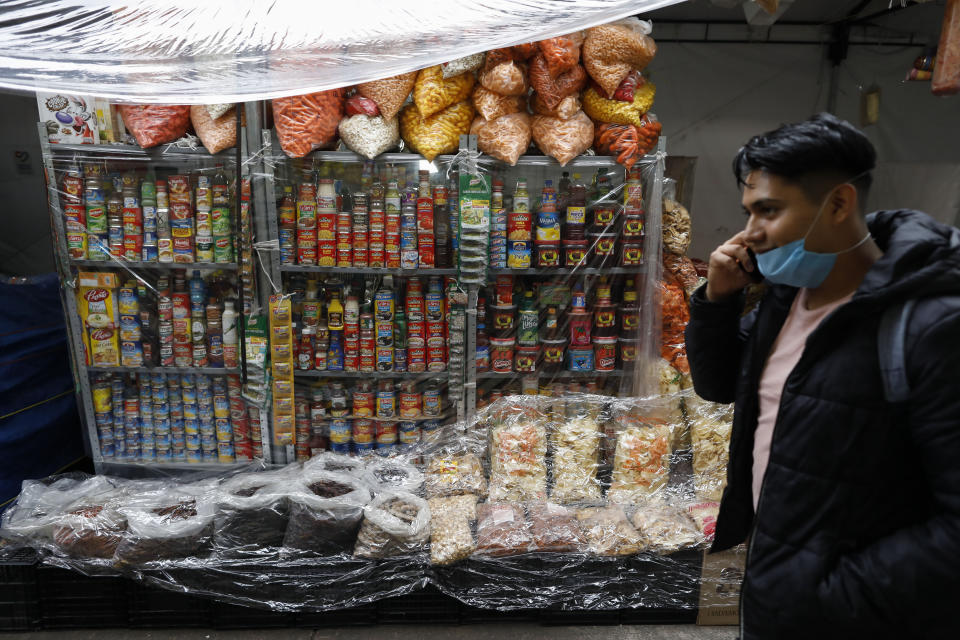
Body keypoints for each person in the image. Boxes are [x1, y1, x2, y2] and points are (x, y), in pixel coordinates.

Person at [685, 113, 960, 639]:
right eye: (748, 213)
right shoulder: (786, 301)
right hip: (774, 592)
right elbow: (719, 387)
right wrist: (718, 300)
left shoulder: (931, 324)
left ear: (838, 204)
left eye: (769, 211)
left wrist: (828, 595)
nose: (751, 234)